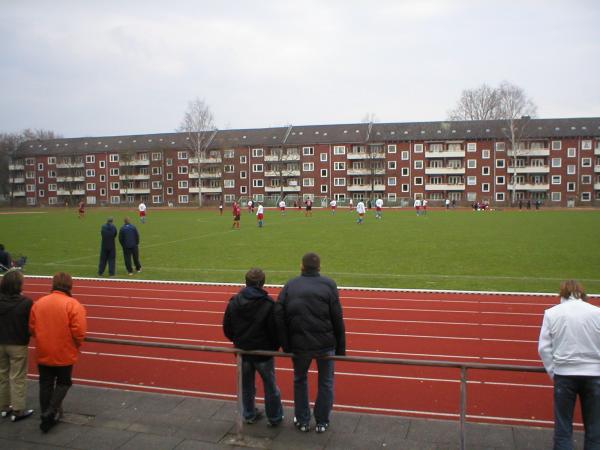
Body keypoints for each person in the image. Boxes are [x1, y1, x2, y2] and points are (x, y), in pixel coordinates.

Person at [275, 253, 345, 433]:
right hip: (325, 345)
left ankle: (303, 420)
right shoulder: (329, 284)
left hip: (300, 345)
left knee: (300, 380)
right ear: (319, 267)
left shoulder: (291, 284)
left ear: (301, 266)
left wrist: (285, 344)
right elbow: (337, 317)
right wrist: (341, 349)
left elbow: (278, 314)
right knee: (326, 382)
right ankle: (322, 421)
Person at [538, 280, 600, 449]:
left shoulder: (552, 313)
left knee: (563, 429)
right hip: (594, 375)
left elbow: (544, 348)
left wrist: (554, 372)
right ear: (582, 292)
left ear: (562, 293)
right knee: (595, 429)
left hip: (564, 375)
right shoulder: (597, 312)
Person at [223, 268, 283, 426]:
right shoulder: (269, 303)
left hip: (242, 351)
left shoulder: (234, 301)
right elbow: (275, 331)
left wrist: (238, 341)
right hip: (263, 353)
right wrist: (272, 347)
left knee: (246, 386)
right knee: (270, 386)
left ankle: (249, 414)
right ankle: (275, 417)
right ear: (262, 283)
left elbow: (227, 328)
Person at [29, 272, 87, 433]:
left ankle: (45, 415)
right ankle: (50, 412)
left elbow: (32, 328)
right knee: (64, 382)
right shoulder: (72, 304)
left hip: (43, 349)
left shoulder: (39, 303)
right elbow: (79, 331)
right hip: (64, 351)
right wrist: (77, 344)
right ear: (70, 285)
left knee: (45, 383)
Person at [0, 270, 34, 422]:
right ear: (18, 285)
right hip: (18, 344)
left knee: (2, 376)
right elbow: (31, 324)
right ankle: (18, 410)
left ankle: (4, 407)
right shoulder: (26, 303)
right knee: (17, 377)